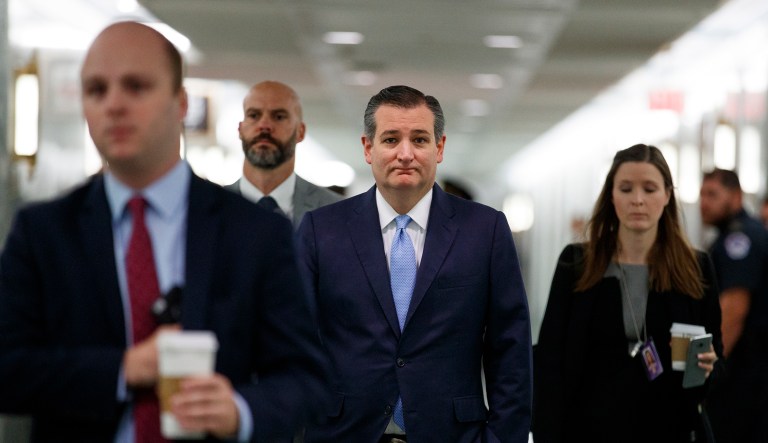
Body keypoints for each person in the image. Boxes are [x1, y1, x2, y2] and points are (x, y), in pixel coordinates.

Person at [0, 22, 329, 442]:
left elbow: (306, 379)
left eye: (136, 87)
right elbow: (7, 368)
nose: (114, 105)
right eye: (97, 90)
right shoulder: (44, 233)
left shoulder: (255, 234)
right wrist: (124, 369)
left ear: (180, 103)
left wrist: (239, 411)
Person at [296, 85, 532, 442]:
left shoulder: (485, 230)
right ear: (367, 148)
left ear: (439, 148)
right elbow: (293, 340)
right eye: (391, 139)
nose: (405, 153)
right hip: (342, 432)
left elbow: (510, 350)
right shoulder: (322, 229)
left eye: (419, 140)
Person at [533, 144, 722, 443]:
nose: (637, 200)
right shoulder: (578, 263)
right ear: (611, 195)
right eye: (625, 188)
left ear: (667, 195)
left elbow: (712, 359)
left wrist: (707, 366)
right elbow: (549, 360)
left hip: (667, 428)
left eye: (649, 189)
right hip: (587, 429)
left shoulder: (694, 267)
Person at [699, 168, 768, 443]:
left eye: (713, 194)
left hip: (746, 376)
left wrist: (708, 373)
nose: (704, 202)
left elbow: (733, 313)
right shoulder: (735, 234)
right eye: (702, 194)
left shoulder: (739, 239)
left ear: (736, 196)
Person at [227, 81, 342, 227]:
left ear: (300, 132)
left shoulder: (337, 212)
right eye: (254, 115)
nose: (264, 126)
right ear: (240, 129)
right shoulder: (205, 209)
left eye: (279, 117)